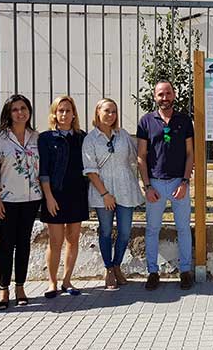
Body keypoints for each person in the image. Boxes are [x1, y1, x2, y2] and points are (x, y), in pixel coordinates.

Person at [137, 80, 195, 291]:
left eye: (168, 93)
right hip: (155, 184)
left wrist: (185, 181)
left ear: (174, 95)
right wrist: (147, 186)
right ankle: (152, 272)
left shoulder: (184, 121)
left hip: (178, 183)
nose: (165, 98)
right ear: (155, 97)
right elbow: (141, 157)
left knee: (183, 229)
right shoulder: (146, 121)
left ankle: (185, 271)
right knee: (152, 229)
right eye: (161, 94)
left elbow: (190, 154)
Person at [83, 98, 145, 290]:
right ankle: (108, 269)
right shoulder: (90, 139)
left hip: (125, 188)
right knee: (106, 231)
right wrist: (105, 194)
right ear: (98, 112)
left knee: (125, 232)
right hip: (104, 191)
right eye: (107, 111)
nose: (111, 115)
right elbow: (90, 170)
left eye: (114, 112)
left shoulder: (123, 135)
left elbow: (139, 155)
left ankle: (117, 265)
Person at [0, 94, 41, 309]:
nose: (20, 113)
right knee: (7, 243)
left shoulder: (36, 137)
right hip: (7, 199)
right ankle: (4, 288)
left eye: (24, 108)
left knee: (24, 244)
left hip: (31, 198)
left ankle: (20, 286)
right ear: (9, 113)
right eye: (15, 109)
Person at [38, 96, 89, 298]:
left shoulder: (81, 137)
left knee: (73, 240)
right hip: (55, 195)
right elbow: (43, 171)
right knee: (55, 241)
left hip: (76, 194)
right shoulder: (46, 138)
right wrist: (49, 197)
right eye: (60, 111)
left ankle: (67, 281)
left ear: (74, 113)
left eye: (68, 110)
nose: (64, 114)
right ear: (54, 114)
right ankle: (52, 282)